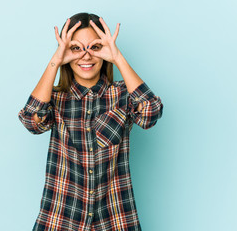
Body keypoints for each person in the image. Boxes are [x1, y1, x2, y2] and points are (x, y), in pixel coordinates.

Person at [18, 12, 164, 231]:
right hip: (61, 218)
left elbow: (150, 113)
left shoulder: (123, 95)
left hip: (115, 218)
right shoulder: (55, 98)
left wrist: (117, 57)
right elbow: (31, 120)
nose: (86, 56)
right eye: (76, 48)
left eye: (94, 47)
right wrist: (55, 61)